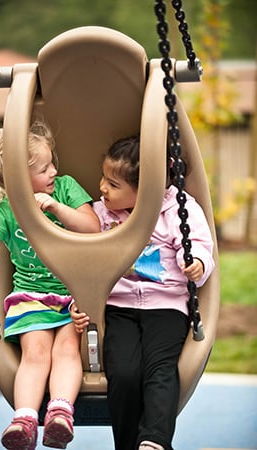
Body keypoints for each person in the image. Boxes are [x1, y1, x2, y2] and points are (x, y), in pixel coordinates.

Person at [0, 121, 100, 450]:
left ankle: (60, 415)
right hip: (31, 298)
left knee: (66, 350)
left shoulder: (65, 188)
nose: (53, 171)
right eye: (45, 167)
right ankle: (24, 420)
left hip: (73, 295)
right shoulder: (4, 212)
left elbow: (92, 227)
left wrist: (55, 206)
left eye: (53, 163)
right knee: (35, 354)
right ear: (19, 178)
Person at [71, 135, 215, 450]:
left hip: (167, 306)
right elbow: (81, 260)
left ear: (145, 190)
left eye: (113, 183)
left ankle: (154, 440)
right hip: (118, 306)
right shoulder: (101, 215)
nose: (102, 187)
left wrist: (197, 264)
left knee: (159, 369)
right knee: (123, 373)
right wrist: (78, 300)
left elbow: (201, 244)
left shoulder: (178, 208)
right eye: (104, 178)